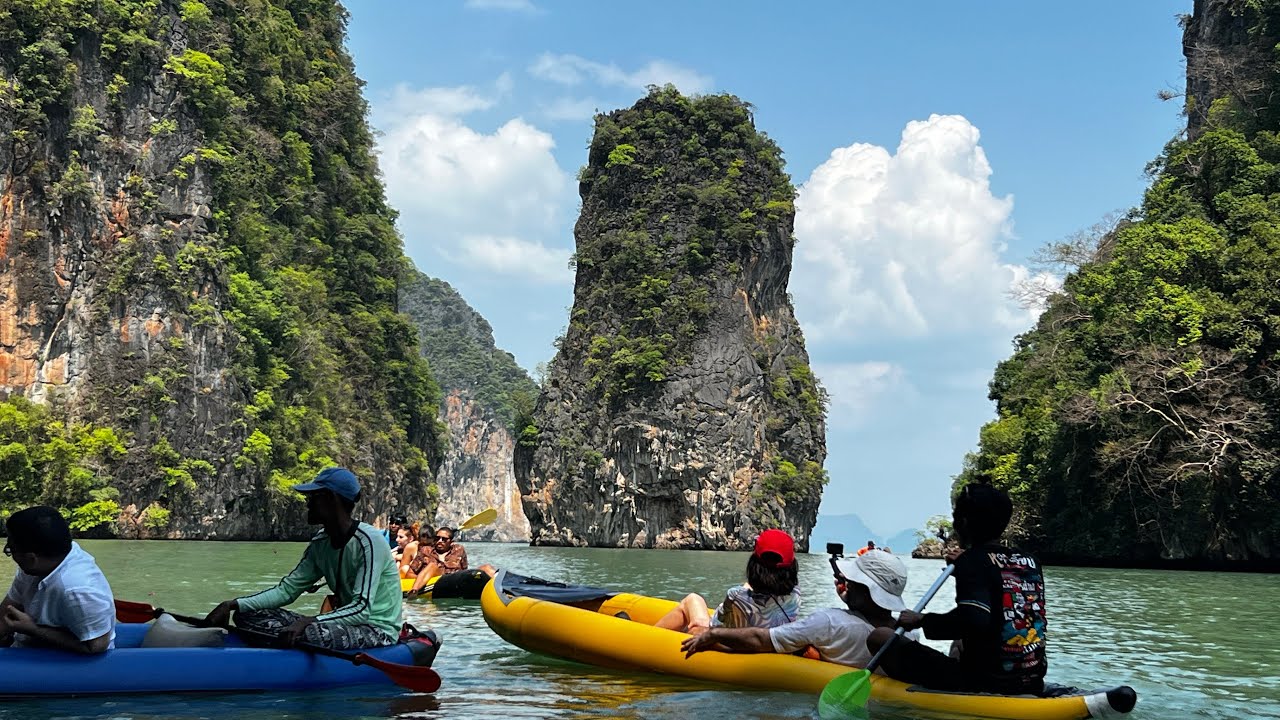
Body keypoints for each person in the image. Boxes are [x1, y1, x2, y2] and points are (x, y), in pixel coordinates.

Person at [868, 482, 1047, 695]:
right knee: (959, 643)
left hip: (985, 683)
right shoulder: (1029, 561)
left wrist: (921, 620)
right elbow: (995, 583)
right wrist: (966, 567)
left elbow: (973, 620)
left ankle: (904, 693)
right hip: (1032, 679)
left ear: (962, 522)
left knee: (879, 637)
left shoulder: (973, 562)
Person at [205, 467, 404, 650]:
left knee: (311, 632)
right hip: (344, 625)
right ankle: (286, 643)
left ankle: (280, 643)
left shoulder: (369, 541)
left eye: (313, 497)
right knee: (247, 614)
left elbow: (362, 609)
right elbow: (287, 591)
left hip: (375, 629)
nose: (308, 504)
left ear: (331, 499)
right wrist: (232, 604)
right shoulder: (320, 543)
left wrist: (309, 621)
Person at [681, 550, 916, 667]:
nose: (846, 583)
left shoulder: (829, 622)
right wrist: (851, 598)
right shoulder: (909, 634)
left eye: (852, 582)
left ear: (864, 591)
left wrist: (713, 634)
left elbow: (762, 639)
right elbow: (869, 613)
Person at [0, 506, 115, 654]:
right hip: (29, 646)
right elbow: (6, 612)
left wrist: (34, 629)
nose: (11, 554)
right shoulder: (36, 564)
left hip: (71, 661)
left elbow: (97, 646)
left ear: (31, 558)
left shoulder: (77, 589)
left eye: (11, 550)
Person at [655, 529, 800, 635]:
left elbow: (718, 626)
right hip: (764, 642)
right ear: (792, 567)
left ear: (754, 566)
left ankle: (648, 640)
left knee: (693, 599)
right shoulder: (795, 595)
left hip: (718, 643)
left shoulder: (736, 596)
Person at [407, 526, 495, 595]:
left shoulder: (459, 550)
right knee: (432, 565)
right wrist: (426, 579)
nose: (440, 541)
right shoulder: (426, 551)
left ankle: (503, 587)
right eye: (437, 538)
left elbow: (465, 570)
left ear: (451, 542)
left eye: (444, 539)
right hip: (438, 581)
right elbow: (409, 574)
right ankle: (414, 591)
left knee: (486, 567)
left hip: (456, 580)